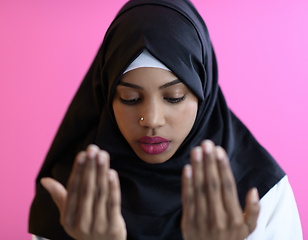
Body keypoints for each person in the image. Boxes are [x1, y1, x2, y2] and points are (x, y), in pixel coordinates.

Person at [29, 0, 302, 239]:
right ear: (106, 94)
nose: (152, 120)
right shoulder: (75, 199)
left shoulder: (263, 196)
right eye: (130, 98)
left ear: (203, 93)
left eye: (173, 97)